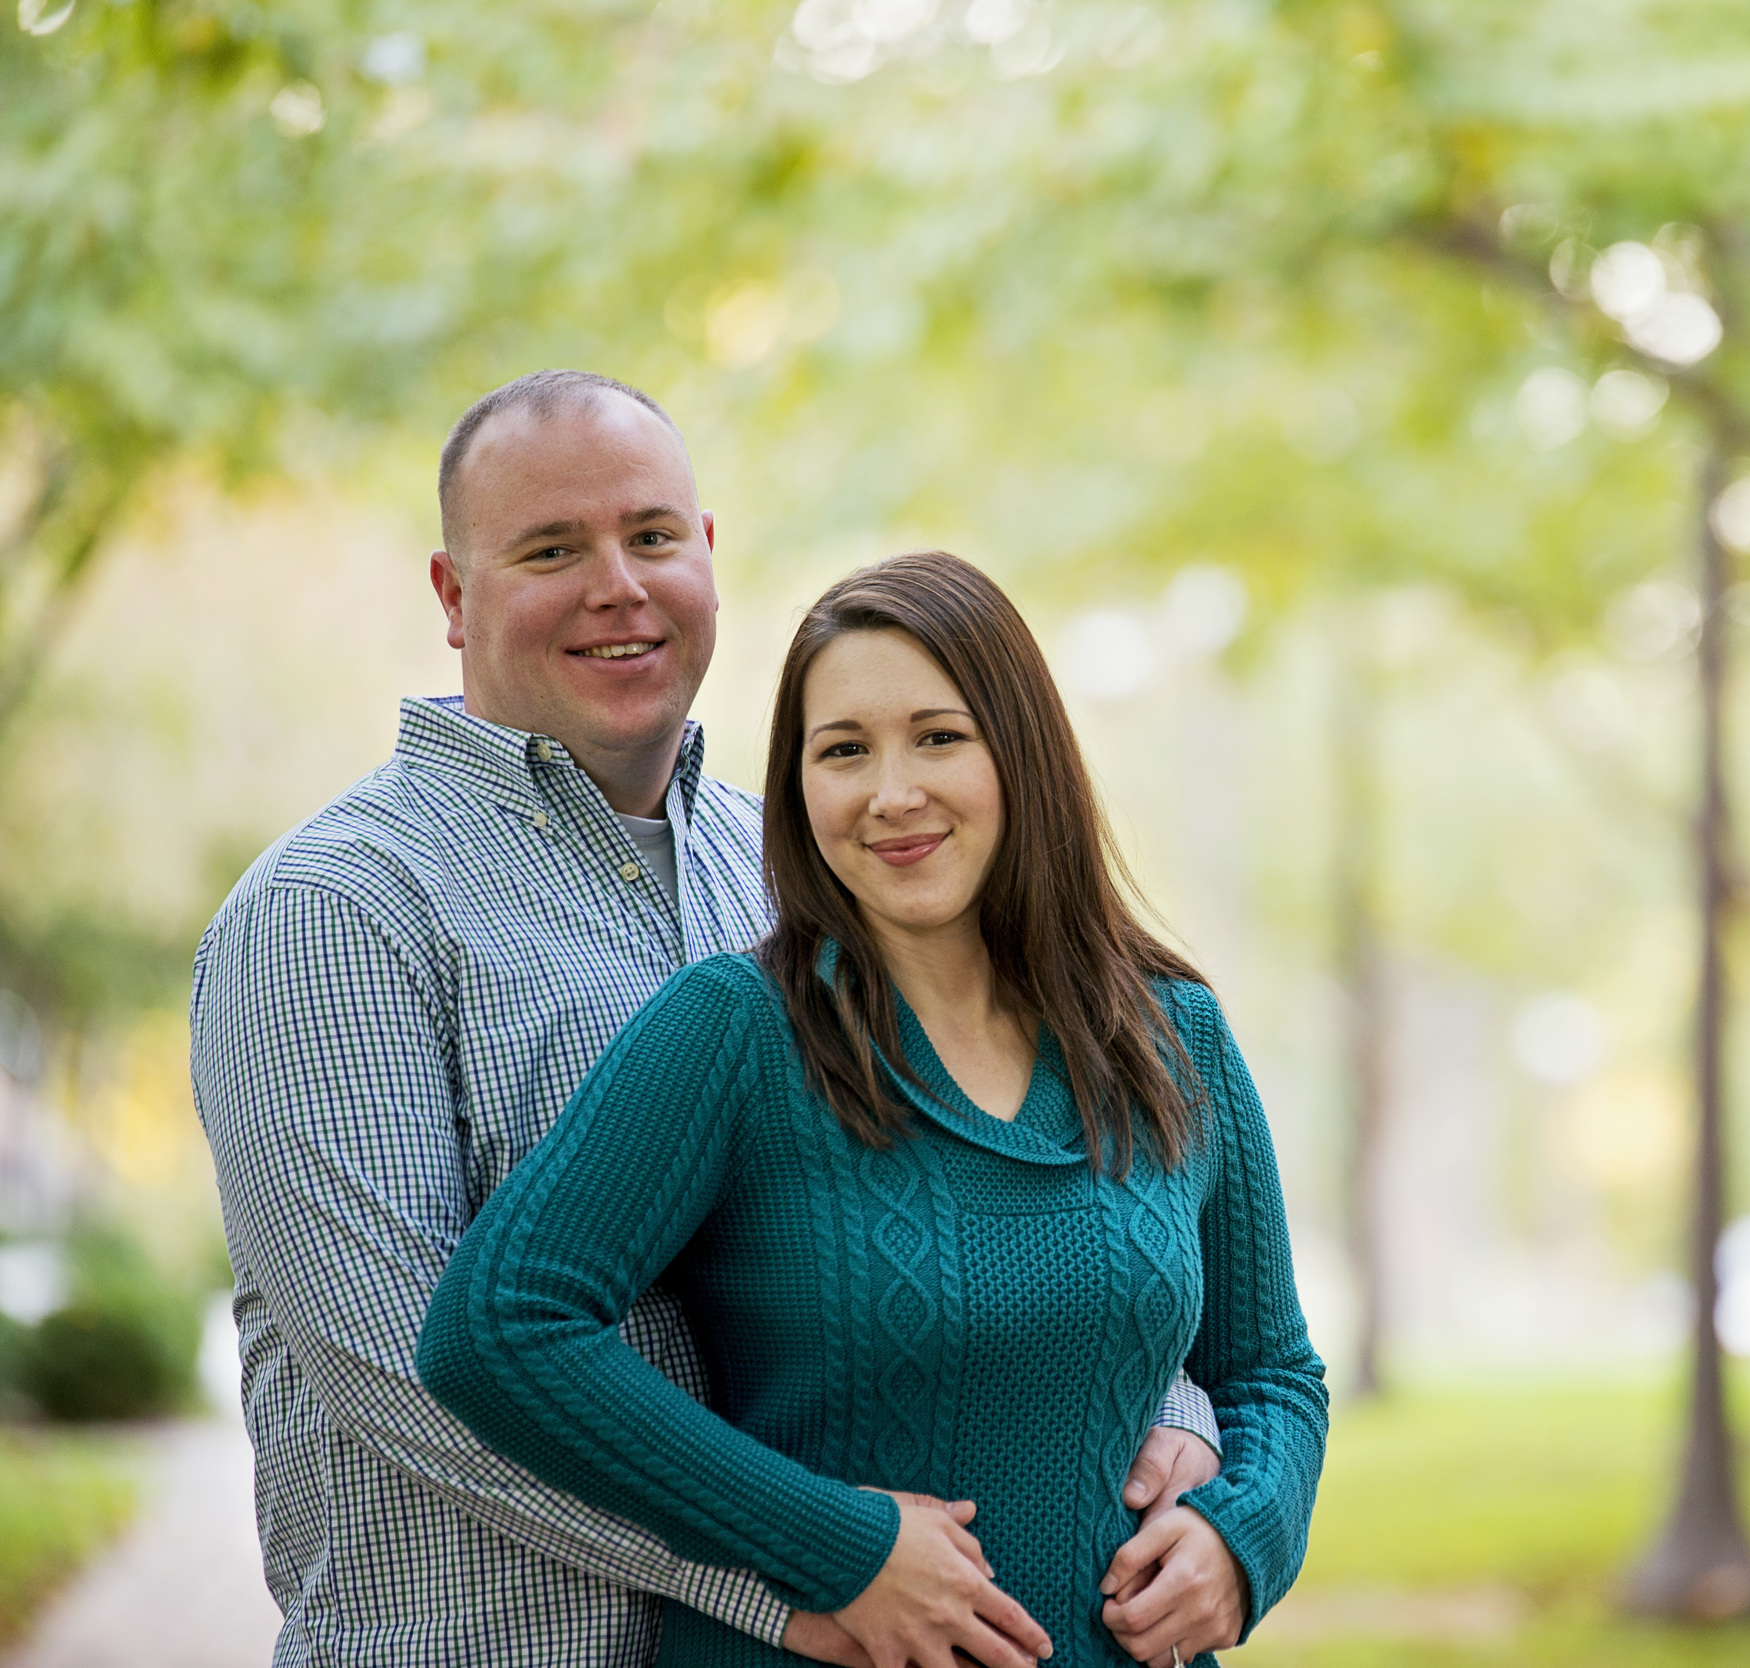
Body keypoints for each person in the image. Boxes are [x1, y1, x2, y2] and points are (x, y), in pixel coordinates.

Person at [190, 372, 1221, 1667]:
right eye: (551, 550)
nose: (616, 585)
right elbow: (409, 1367)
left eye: (652, 537)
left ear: (711, 558)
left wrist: (1167, 1403)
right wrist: (795, 1572)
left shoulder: (812, 864)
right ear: (454, 599)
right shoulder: (334, 913)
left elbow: (1008, 1192)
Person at [416, 549, 1329, 1668]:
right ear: (800, 790)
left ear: (1020, 753)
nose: (892, 794)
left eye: (938, 737)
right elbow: (498, 1327)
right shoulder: (735, 1031)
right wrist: (834, 1542)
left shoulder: (1171, 1037)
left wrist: (1247, 1540)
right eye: (843, 752)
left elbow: (1272, 1372)